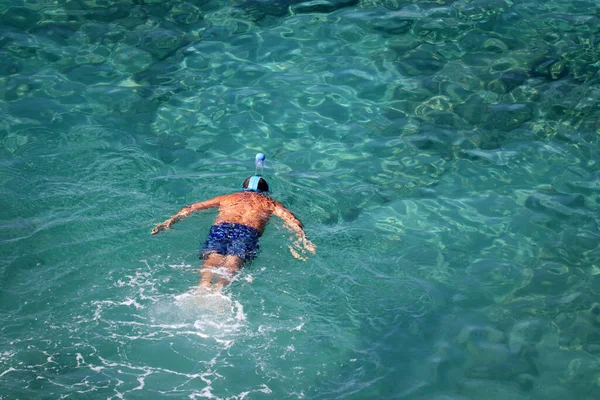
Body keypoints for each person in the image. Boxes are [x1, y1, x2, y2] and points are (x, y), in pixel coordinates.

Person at [151, 176, 316, 290]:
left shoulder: (228, 198)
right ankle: (219, 290)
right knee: (232, 263)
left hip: (221, 228)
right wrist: (302, 238)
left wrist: (170, 221)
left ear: (243, 189)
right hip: (247, 232)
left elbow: (193, 207)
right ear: (266, 192)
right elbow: (291, 220)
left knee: (213, 259)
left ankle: (202, 287)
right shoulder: (269, 203)